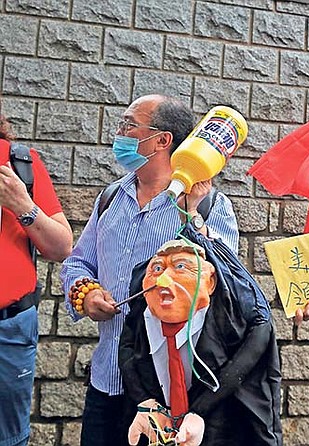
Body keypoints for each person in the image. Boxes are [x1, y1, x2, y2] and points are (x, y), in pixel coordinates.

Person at [61, 94, 240, 446]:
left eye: (129, 125)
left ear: (162, 140)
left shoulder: (209, 205)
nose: (120, 133)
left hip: (166, 391)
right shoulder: (111, 197)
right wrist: (87, 292)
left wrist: (192, 217)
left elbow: (226, 285)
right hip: (106, 379)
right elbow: (78, 261)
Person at [119, 238, 281, 446]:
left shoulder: (231, 328)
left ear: (210, 282)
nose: (163, 280)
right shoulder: (140, 323)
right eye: (157, 268)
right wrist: (145, 402)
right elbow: (127, 353)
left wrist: (199, 412)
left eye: (180, 267)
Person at [0, 114, 73, 446]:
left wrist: (22, 204)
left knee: (9, 437)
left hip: (8, 331)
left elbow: (61, 247)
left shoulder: (20, 162)